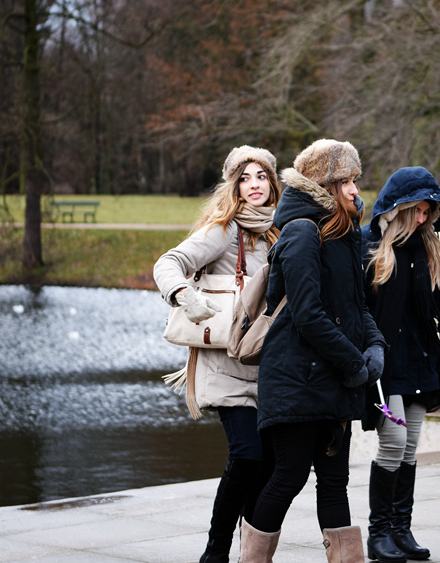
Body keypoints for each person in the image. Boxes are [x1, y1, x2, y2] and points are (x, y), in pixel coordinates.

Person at [241, 139, 387, 563]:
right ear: (326, 184)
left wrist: (375, 348)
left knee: (335, 481)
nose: (356, 189)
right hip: (295, 381)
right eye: (347, 181)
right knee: (287, 477)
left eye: (356, 180)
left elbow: (358, 309)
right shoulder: (302, 232)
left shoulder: (343, 234)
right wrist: (354, 363)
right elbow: (307, 313)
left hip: (333, 381)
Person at [153, 145, 281, 563]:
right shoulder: (225, 230)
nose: (254, 185)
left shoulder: (282, 231)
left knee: (267, 465)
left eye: (261, 176)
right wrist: (184, 295)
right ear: (235, 186)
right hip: (225, 364)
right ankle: (216, 549)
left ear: (272, 182)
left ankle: (252, 552)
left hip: (269, 366)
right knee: (246, 454)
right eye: (245, 178)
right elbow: (169, 262)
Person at [361, 166, 440, 562]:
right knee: (392, 441)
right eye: (418, 210)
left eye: (429, 212)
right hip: (385, 361)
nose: (424, 218)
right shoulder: (368, 244)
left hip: (420, 357)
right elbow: (357, 307)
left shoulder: (426, 246)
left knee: (409, 447)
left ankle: (401, 530)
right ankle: (378, 534)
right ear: (399, 207)